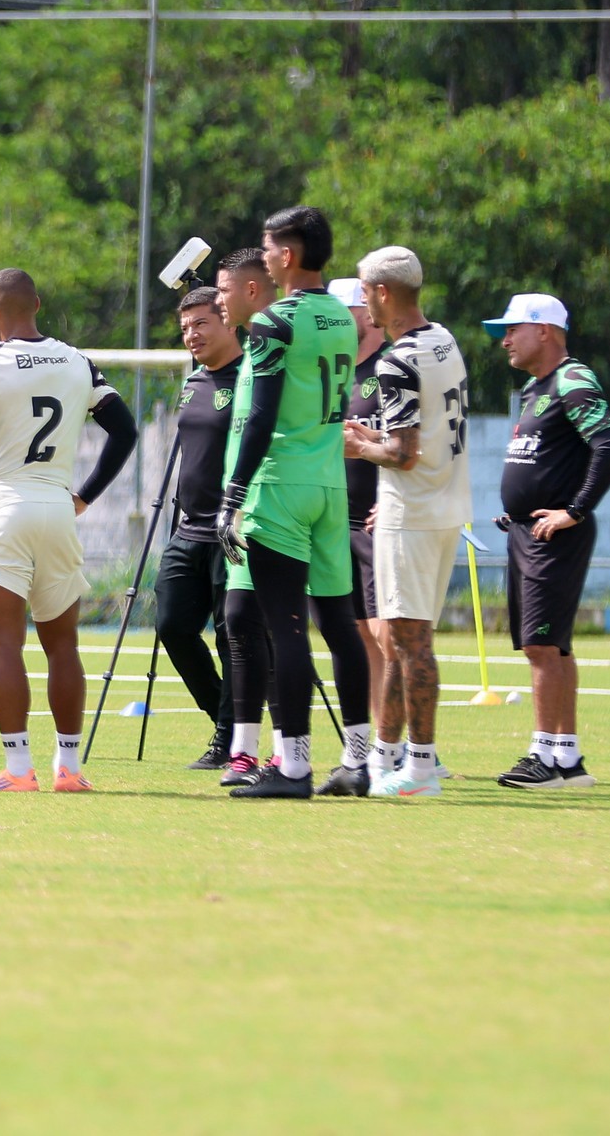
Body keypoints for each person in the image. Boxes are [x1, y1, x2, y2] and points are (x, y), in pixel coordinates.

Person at [0, 269, 137, 793]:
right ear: (38, 304)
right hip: (56, 506)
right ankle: (69, 769)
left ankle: (18, 769)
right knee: (63, 645)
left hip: (3, 508)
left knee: (6, 646)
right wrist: (84, 495)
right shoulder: (78, 361)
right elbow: (125, 430)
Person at [216, 207, 372, 799]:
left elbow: (261, 416)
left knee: (284, 627)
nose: (265, 255)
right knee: (339, 625)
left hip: (280, 485)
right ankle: (358, 760)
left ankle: (294, 767)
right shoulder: (340, 316)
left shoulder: (274, 321)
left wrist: (233, 494)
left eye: (268, 247)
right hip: (329, 483)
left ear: (287, 254)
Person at [342, 246, 471, 797]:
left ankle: (419, 768)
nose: (363, 303)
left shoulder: (396, 361)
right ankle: (386, 758)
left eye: (365, 292)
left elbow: (403, 454)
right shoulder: (443, 340)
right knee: (403, 640)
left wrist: (358, 448)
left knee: (411, 645)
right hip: (445, 507)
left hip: (411, 513)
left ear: (383, 293)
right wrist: (375, 436)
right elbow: (425, 434)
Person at [487, 292, 610, 790]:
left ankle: (542, 756)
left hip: (554, 534)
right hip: (527, 529)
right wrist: (518, 510)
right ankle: (567, 757)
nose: (505, 341)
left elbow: (609, 446)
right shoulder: (534, 387)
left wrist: (574, 510)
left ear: (543, 330)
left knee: (542, 646)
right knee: (555, 648)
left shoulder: (572, 379)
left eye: (513, 330)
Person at [151, 284, 240, 771]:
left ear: (229, 321)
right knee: (172, 626)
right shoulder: (193, 382)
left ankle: (230, 737)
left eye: (201, 323)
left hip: (235, 532)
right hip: (189, 530)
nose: (192, 335)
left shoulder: (252, 378)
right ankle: (226, 713)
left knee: (233, 638)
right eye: (185, 327)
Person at [330, 275, 391, 761]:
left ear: (366, 314)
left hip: (379, 524)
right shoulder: (333, 372)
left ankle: (414, 746)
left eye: (342, 314)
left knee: (391, 638)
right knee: (359, 638)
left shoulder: (391, 368)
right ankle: (378, 744)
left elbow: (417, 442)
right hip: (337, 522)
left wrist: (394, 498)